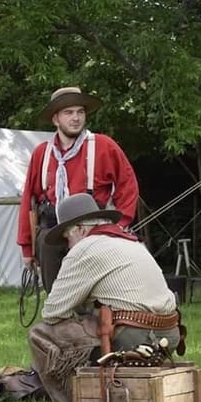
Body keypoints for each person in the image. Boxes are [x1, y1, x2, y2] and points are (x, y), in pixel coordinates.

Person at [28, 193, 184, 402]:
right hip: (169, 336)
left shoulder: (84, 250)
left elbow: (52, 312)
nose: (67, 245)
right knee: (92, 321)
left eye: (67, 236)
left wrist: (81, 303)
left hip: (134, 337)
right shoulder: (129, 240)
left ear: (80, 229)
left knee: (40, 334)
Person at [17, 86, 139, 293]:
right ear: (56, 119)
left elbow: (128, 184)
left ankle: (94, 321)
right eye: (69, 112)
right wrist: (27, 248)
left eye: (80, 112)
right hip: (52, 229)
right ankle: (59, 320)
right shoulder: (42, 153)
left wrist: (122, 224)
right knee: (56, 291)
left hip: (93, 228)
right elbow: (29, 199)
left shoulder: (103, 145)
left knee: (95, 294)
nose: (76, 118)